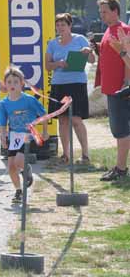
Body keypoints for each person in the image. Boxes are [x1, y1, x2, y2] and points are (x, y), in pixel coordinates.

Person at [45, 13, 95, 166]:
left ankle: (85, 154)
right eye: (58, 25)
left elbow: (92, 60)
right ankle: (66, 154)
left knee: (76, 119)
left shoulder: (80, 39)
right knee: (63, 120)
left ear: (70, 26)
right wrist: (58, 64)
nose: (60, 28)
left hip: (77, 83)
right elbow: (47, 66)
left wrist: (88, 53)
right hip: (59, 84)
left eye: (63, 25)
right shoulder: (52, 44)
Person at [0, 67, 49, 203]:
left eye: (15, 82)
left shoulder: (29, 100)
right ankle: (18, 190)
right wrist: (3, 137)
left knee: (19, 161)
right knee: (11, 166)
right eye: (9, 82)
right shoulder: (4, 103)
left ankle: (27, 169)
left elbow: (43, 114)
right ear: (5, 85)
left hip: (28, 133)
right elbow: (2, 122)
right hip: (13, 135)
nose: (12, 85)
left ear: (22, 84)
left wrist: (44, 131)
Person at [93, 0, 130, 181]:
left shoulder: (124, 30)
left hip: (120, 89)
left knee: (121, 130)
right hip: (111, 88)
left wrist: (126, 81)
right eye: (101, 12)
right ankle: (120, 166)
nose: (102, 15)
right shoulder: (109, 29)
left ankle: (121, 170)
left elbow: (127, 56)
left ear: (115, 11)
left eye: (105, 11)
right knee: (119, 130)